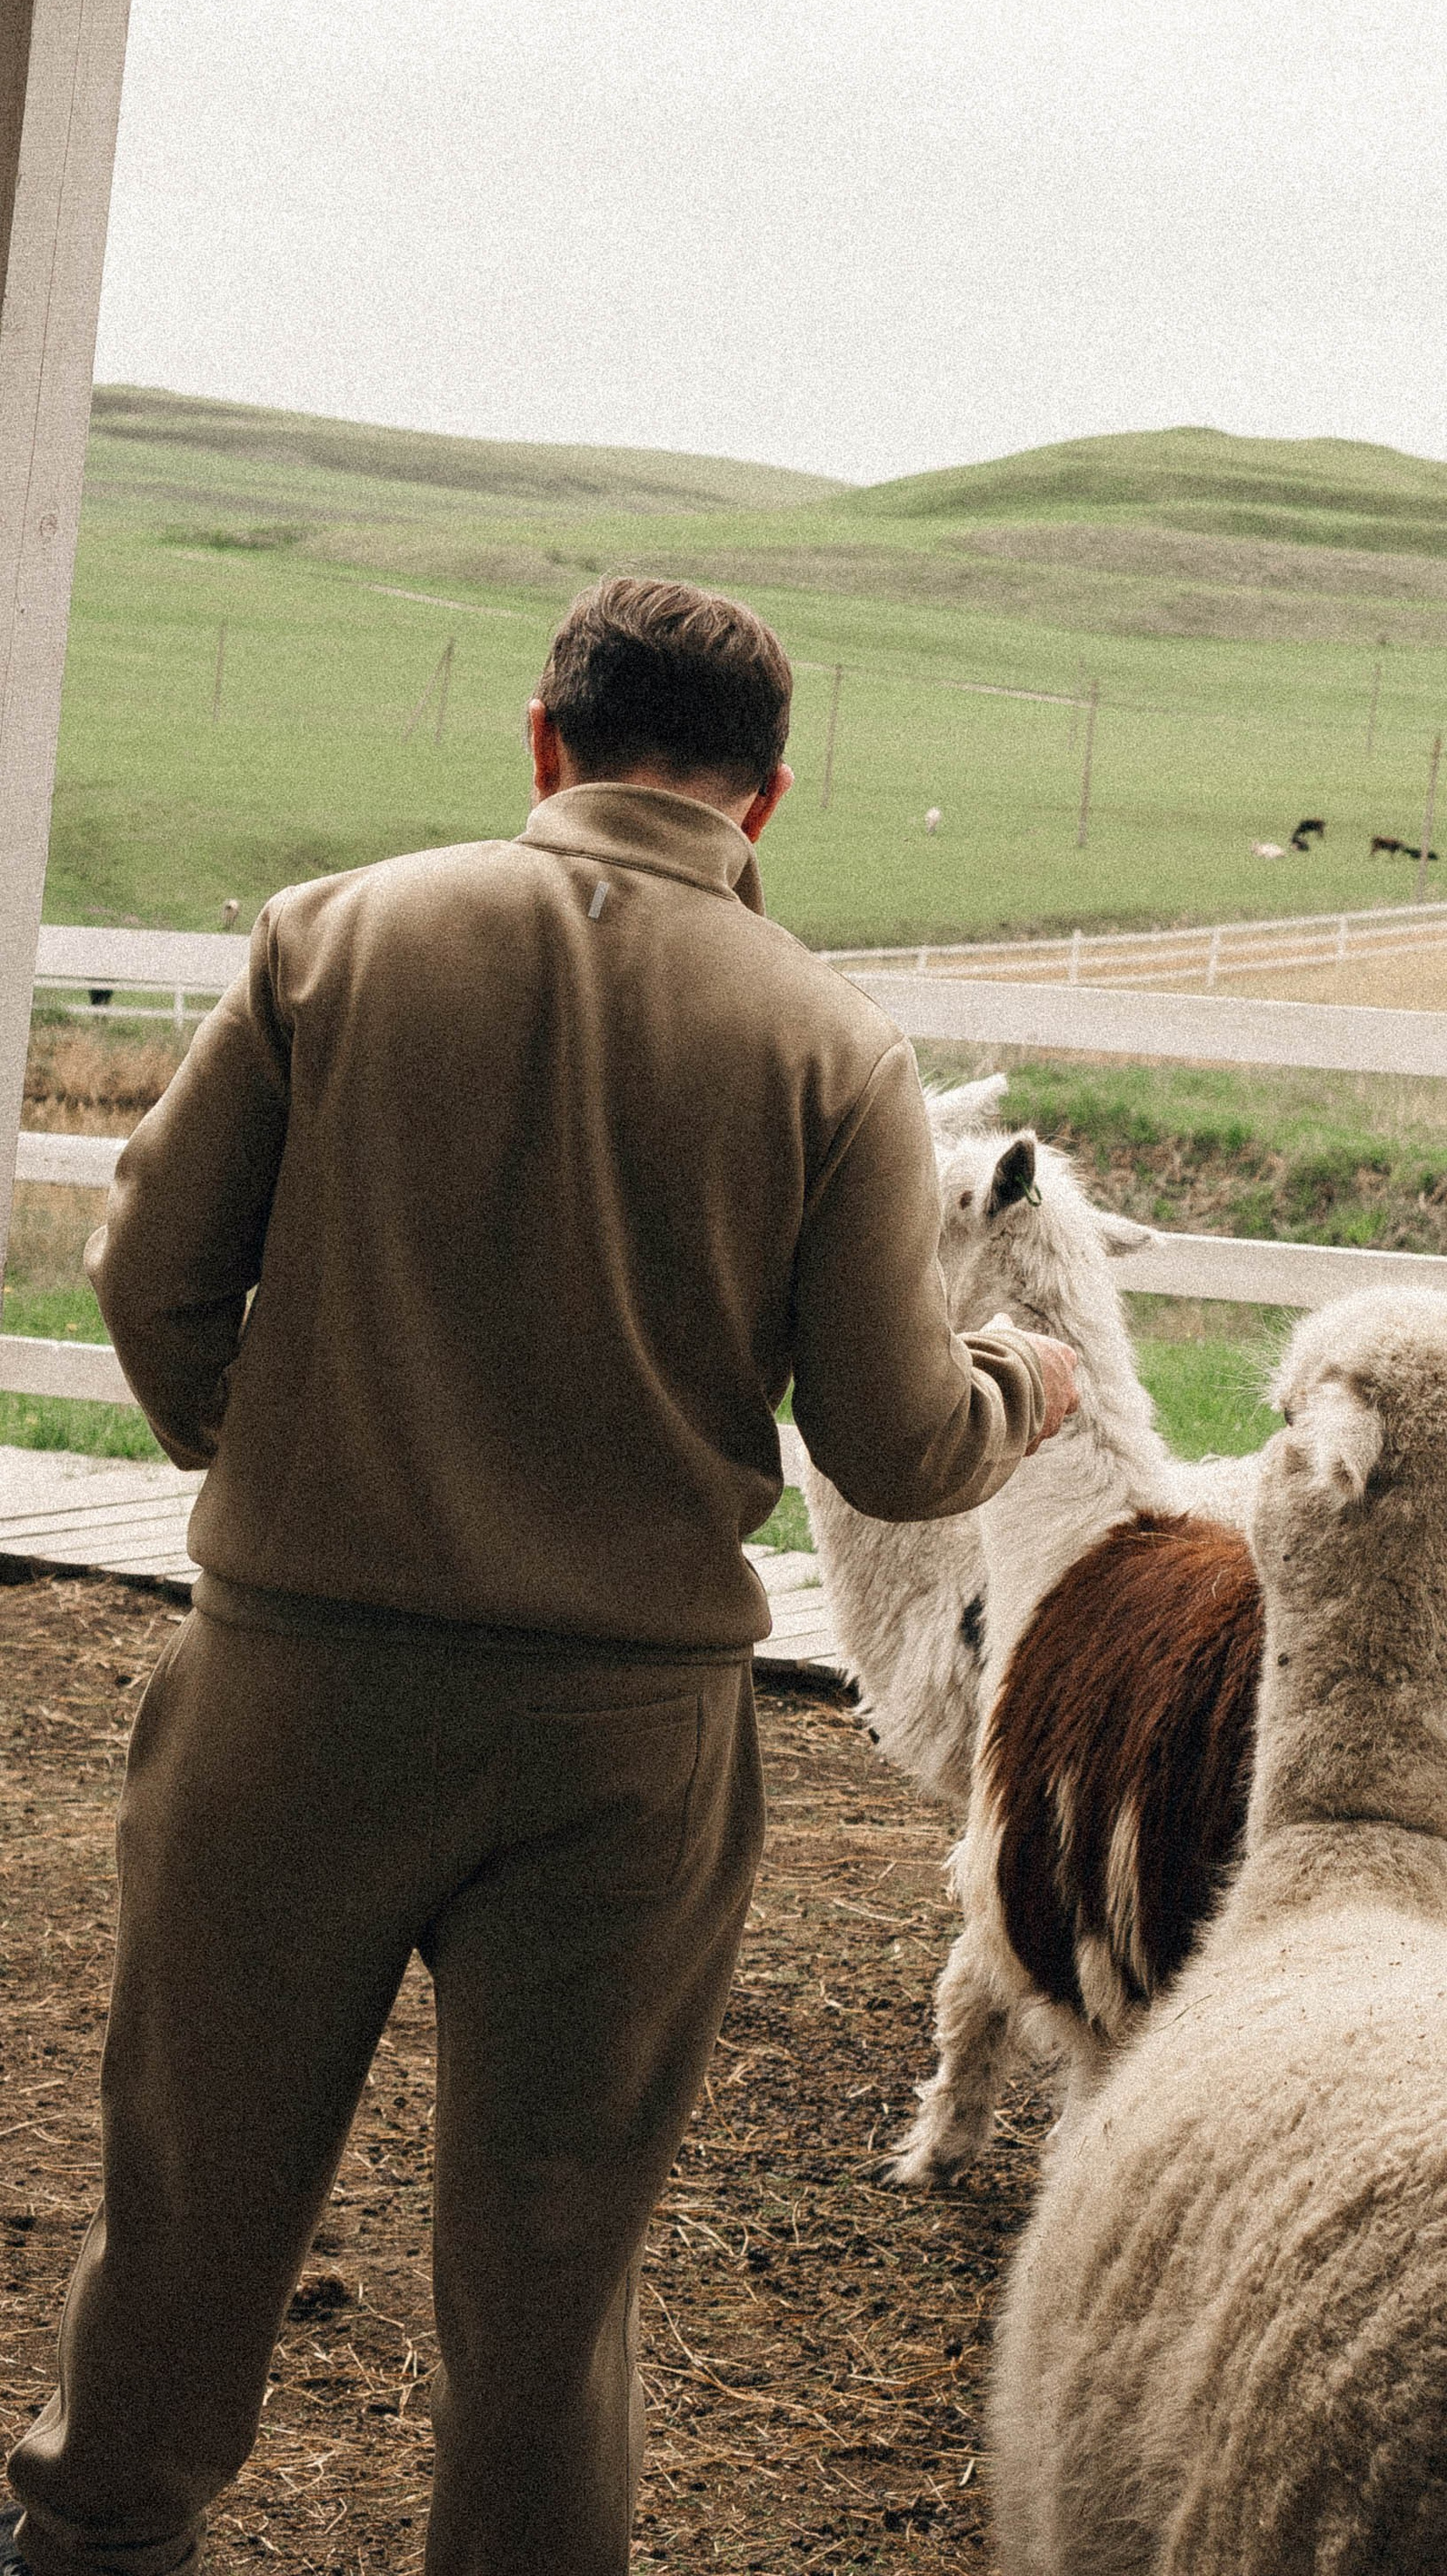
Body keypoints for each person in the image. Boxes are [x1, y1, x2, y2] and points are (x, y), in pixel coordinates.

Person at [2, 576, 1076, 2576]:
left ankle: (98, 2540)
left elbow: (145, 1273)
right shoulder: (832, 1048)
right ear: (767, 800)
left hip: (287, 1694)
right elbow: (890, 1446)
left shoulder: (329, 941)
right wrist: (1023, 1380)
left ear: (539, 740)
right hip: (621, 1747)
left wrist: (266, 1454)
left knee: (188, 2201)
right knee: (549, 2273)